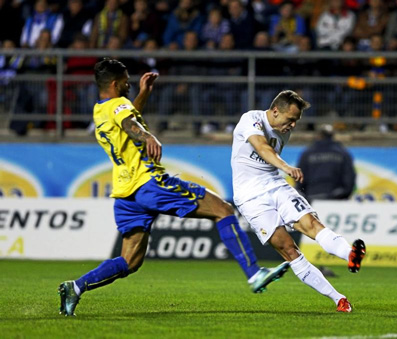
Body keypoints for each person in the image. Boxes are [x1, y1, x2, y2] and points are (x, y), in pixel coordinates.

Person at [57, 58, 289, 316]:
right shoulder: (120, 106)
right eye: (126, 81)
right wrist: (147, 136)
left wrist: (143, 95)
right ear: (114, 83)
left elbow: (126, 116)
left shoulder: (100, 110)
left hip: (126, 193)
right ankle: (254, 273)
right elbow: (129, 124)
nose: (129, 84)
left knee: (129, 262)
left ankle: (76, 288)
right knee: (223, 210)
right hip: (149, 183)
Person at [231, 90, 366, 313]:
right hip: (249, 196)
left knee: (312, 224)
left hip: (276, 186)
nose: (293, 125)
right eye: (290, 119)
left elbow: (269, 153)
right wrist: (286, 167)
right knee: (288, 249)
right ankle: (338, 298)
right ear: (275, 111)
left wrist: (282, 172)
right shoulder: (251, 119)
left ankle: (350, 254)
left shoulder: (283, 131)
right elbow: (262, 147)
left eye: (296, 121)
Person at [296, 124, 356, 202]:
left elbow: (299, 177)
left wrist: (305, 195)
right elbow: (349, 178)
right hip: (336, 200)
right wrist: (342, 194)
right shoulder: (343, 152)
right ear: (332, 135)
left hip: (311, 199)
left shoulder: (307, 153)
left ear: (318, 135)